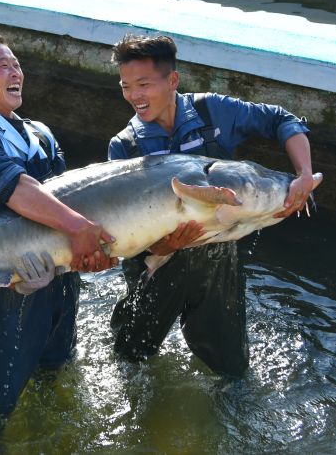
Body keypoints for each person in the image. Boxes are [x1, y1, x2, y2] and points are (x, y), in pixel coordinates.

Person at [107, 33, 316, 376]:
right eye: (126, 86)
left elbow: (281, 120)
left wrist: (304, 174)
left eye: (143, 84)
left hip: (217, 259)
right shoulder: (125, 147)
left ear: (173, 80)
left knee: (231, 369)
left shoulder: (212, 112)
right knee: (132, 360)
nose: (134, 96)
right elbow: (125, 237)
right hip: (157, 264)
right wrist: (164, 246)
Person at [0, 34, 118, 425]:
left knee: (57, 370)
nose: (16, 71)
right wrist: (80, 227)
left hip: (57, 276)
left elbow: (72, 198)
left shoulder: (39, 131)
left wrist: (87, 255)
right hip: (2, 281)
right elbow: (13, 188)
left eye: (17, 65)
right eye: (4, 65)